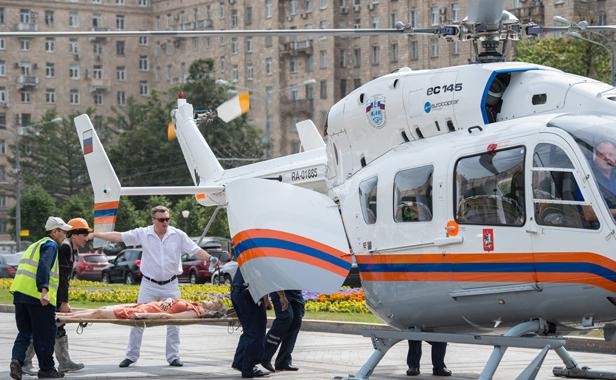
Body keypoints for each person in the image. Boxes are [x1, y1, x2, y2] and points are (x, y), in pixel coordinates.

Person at [89, 205, 212, 368]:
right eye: (161, 220)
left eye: (167, 219)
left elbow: (196, 250)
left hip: (171, 284)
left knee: (174, 321)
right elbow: (119, 236)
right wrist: (96, 234)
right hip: (149, 285)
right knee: (137, 317)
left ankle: (173, 357)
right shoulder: (143, 233)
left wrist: (211, 258)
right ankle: (131, 356)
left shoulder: (178, 235)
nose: (165, 222)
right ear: (153, 220)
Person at [22, 218, 92, 375]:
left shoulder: (73, 249)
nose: (86, 237)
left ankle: (65, 362)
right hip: (51, 296)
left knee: (57, 328)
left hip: (55, 295)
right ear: (73, 235)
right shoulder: (65, 248)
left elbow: (66, 278)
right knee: (43, 329)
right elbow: (61, 278)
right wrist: (64, 302)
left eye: (87, 234)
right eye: (83, 233)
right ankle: (25, 362)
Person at [9, 216, 74, 380]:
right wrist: (44, 290)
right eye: (63, 231)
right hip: (37, 297)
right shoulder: (50, 245)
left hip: (20, 295)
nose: (65, 234)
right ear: (54, 231)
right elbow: (44, 266)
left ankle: (16, 361)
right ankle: (46, 369)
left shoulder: (34, 245)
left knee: (25, 333)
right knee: (45, 334)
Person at [231, 269, 288, 378]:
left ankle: (240, 362)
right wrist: (282, 296)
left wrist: (265, 298)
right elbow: (272, 275)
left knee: (249, 331)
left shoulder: (251, 252)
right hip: (249, 294)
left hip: (238, 291)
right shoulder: (267, 254)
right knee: (256, 332)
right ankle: (248, 368)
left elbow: (261, 275)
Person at [57, 298, 224, 320]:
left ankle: (62, 319)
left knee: (99, 313)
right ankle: (62, 314)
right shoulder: (192, 303)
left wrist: (143, 315)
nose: (208, 300)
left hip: (143, 311)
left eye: (212, 302)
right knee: (102, 308)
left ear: (211, 309)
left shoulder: (194, 312)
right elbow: (167, 304)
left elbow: (169, 317)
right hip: (142, 305)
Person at [261, 290, 305, 372]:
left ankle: (283, 361)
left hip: (296, 292)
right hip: (280, 290)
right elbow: (271, 277)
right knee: (286, 318)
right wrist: (266, 298)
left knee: (296, 322)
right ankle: (264, 355)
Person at [591, 141, 616, 212]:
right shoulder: (588, 176)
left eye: (611, 154)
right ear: (595, 157)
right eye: (602, 154)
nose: (607, 157)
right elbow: (588, 214)